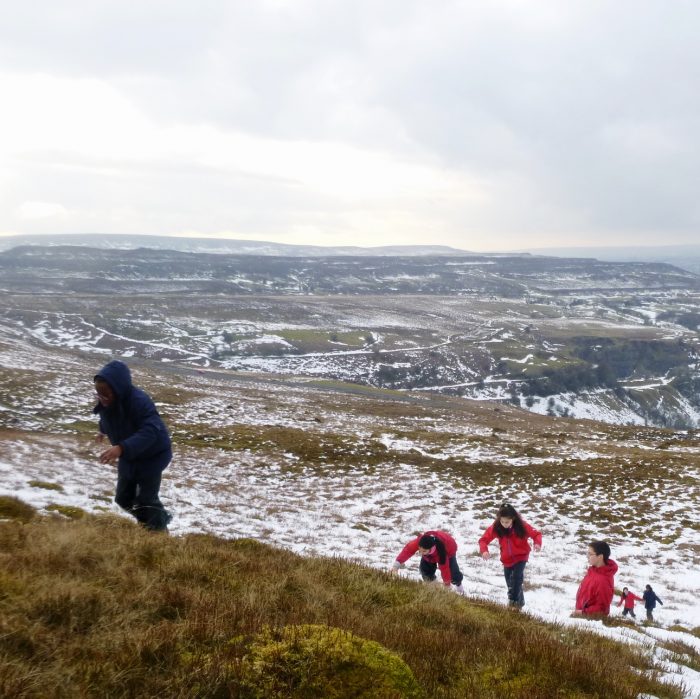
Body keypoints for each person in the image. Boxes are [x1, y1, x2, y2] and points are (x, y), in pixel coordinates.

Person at [93, 359, 172, 532]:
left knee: (146, 500)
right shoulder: (108, 403)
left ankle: (158, 530)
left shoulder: (140, 402)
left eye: (106, 395)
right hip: (130, 455)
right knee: (122, 499)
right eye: (99, 395)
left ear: (118, 389)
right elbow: (107, 418)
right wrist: (102, 431)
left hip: (152, 456)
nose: (102, 399)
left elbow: (151, 431)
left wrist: (121, 448)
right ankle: (150, 523)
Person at [478, 503, 542, 608]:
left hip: (521, 556)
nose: (504, 524)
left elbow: (536, 534)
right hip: (506, 559)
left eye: (507, 522)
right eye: (502, 521)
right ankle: (520, 604)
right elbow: (483, 540)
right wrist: (484, 550)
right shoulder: (496, 527)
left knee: (516, 578)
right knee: (511, 585)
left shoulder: (522, 525)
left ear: (513, 519)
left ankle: (512, 604)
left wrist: (537, 543)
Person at [389, 530, 465, 594]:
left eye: (423, 551)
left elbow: (445, 569)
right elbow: (408, 550)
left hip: (449, 549)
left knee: (453, 574)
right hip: (430, 552)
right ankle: (435, 587)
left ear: (431, 548)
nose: (420, 553)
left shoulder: (441, 554)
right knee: (425, 570)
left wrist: (447, 585)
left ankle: (459, 587)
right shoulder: (421, 542)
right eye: (419, 550)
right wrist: (396, 565)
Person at [574, 540, 618, 617]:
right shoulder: (592, 571)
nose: (587, 556)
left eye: (590, 554)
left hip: (589, 620)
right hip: (581, 615)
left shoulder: (603, 581)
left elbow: (602, 609)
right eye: (587, 553)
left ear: (600, 557)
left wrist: (583, 612)